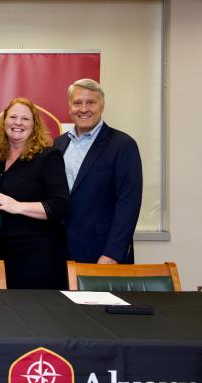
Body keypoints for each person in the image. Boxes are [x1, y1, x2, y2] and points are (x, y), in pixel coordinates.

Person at [54, 78, 143, 264]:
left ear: (102, 106)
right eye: (77, 103)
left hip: (101, 252)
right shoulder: (59, 143)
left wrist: (113, 253)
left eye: (91, 102)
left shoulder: (123, 145)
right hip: (60, 251)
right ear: (69, 107)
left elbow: (129, 203)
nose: (84, 109)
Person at [0, 98, 70, 289]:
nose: (18, 123)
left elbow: (61, 206)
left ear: (35, 125)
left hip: (36, 257)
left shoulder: (48, 156)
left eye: (25, 118)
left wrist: (17, 206)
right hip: (0, 253)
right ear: (4, 121)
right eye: (13, 117)